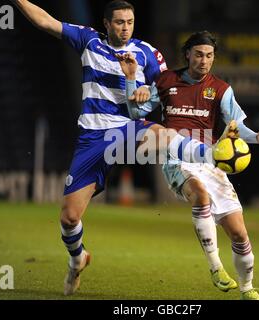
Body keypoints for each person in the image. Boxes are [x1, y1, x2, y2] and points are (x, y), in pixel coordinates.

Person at [12, 0, 220, 296]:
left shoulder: (147, 53)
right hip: (93, 137)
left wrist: (148, 88)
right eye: (120, 22)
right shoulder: (88, 40)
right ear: (107, 23)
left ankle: (215, 155)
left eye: (130, 22)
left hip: (126, 127)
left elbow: (168, 86)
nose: (125, 28)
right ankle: (77, 260)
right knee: (69, 218)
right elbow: (45, 21)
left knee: (161, 133)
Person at [117, 31, 259, 300]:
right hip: (176, 157)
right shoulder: (166, 81)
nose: (204, 61)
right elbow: (136, 113)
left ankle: (247, 288)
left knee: (239, 234)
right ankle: (216, 268)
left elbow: (236, 127)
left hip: (210, 160)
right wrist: (131, 79)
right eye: (200, 54)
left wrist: (258, 138)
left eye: (210, 56)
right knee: (200, 197)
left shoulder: (222, 89)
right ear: (188, 54)